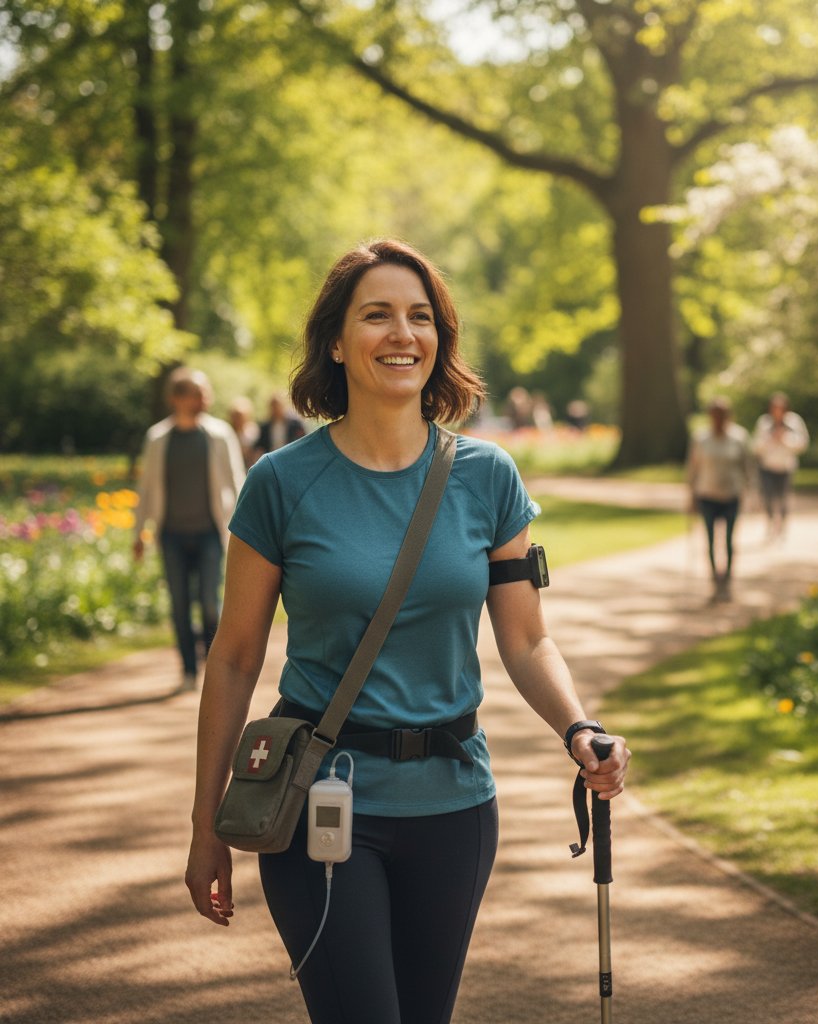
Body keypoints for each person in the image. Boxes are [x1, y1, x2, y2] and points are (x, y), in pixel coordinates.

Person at [184, 239, 630, 1024]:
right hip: (320, 801)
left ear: (440, 338)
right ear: (335, 341)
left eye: (420, 317)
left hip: (456, 806)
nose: (402, 334)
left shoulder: (489, 478)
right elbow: (234, 658)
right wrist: (205, 823)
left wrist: (578, 727)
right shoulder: (280, 483)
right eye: (377, 315)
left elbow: (527, 640)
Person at [134, 368, 246, 691]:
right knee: (179, 605)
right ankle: (188, 670)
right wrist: (138, 533)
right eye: (198, 394)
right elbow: (147, 487)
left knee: (210, 603)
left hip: (210, 533)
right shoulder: (158, 438)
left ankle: (214, 668)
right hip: (171, 535)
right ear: (177, 398)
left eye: (206, 393)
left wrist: (247, 531)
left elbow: (239, 483)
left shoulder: (220, 434)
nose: (205, 399)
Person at [687, 396, 755, 602]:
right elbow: (693, 468)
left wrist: (751, 492)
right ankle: (714, 580)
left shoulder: (739, 437)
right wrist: (691, 496)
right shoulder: (701, 438)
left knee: (728, 541)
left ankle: (727, 581)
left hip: (731, 495)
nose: (718, 419)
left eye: (721, 415)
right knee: (709, 540)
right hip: (707, 495)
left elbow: (747, 467)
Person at [752, 392, 809, 541]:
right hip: (767, 466)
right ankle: (770, 523)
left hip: (786, 467)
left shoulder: (794, 422)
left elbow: (803, 443)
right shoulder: (764, 422)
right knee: (768, 497)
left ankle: (782, 526)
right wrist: (769, 439)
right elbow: (755, 445)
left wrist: (785, 439)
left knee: (784, 498)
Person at [255, 392, 306, 456]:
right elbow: (260, 446)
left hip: (292, 456)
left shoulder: (295, 424)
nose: (276, 409)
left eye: (278, 406)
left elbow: (303, 440)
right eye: (273, 406)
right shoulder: (265, 427)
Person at [228, 396, 260, 469]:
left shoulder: (254, 431)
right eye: (236, 416)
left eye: (240, 416)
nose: (238, 420)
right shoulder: (228, 432)